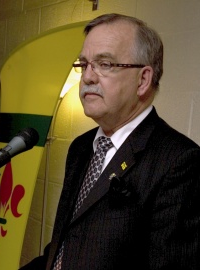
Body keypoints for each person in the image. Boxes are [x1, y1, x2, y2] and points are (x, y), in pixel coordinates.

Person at [20, 13, 200, 270]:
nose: (87, 77)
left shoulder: (179, 162)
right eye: (84, 64)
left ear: (143, 79)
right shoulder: (81, 147)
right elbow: (64, 248)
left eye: (105, 64)